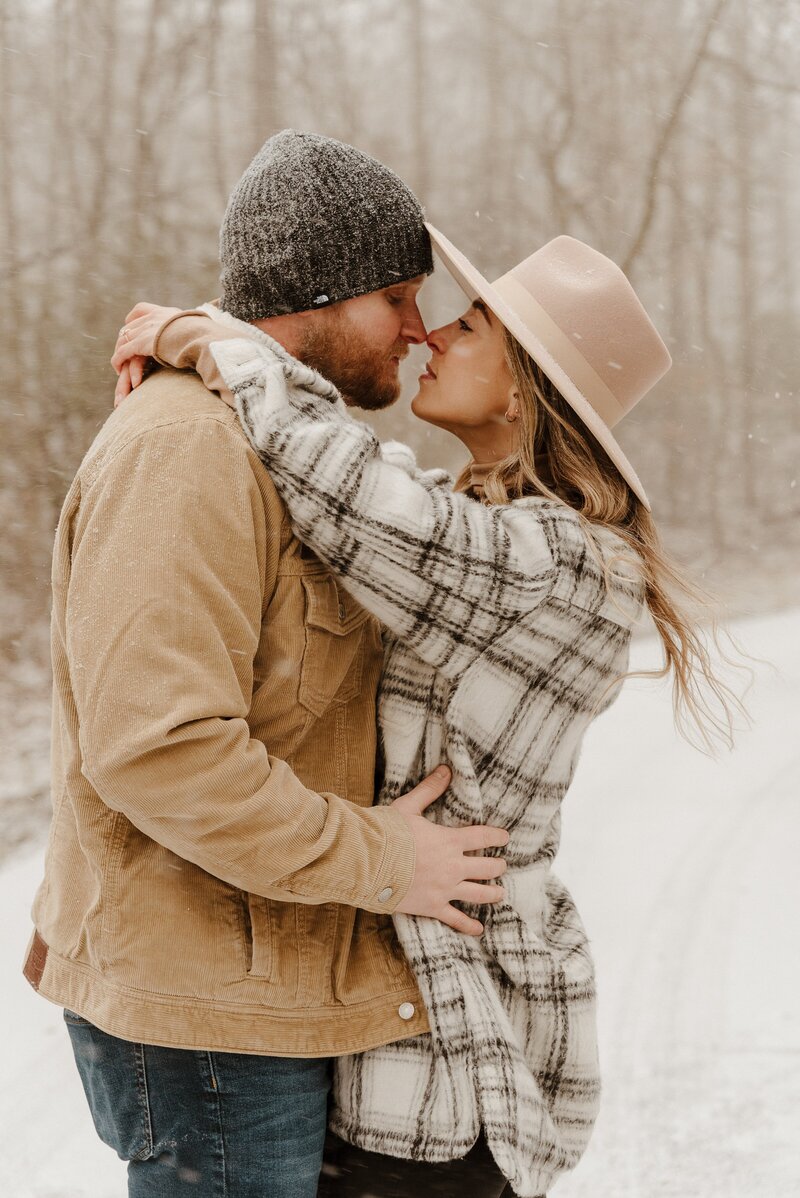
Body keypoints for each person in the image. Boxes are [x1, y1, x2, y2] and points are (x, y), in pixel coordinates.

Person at [114, 224, 741, 1198]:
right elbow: (389, 510)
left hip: (446, 1065)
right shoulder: (490, 525)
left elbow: (350, 486)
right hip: (410, 1040)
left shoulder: (566, 565)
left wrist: (220, 341)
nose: (434, 335)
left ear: (527, 389)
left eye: (472, 324)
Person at [22, 132, 511, 1198]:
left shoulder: (279, 443)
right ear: (315, 298)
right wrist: (382, 859)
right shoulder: (188, 451)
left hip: (257, 993)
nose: (417, 328)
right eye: (396, 296)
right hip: (206, 1023)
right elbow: (159, 748)